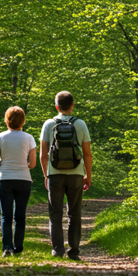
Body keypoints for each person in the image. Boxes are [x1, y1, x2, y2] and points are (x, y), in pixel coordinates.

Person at [39, 90, 92, 261]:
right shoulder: (81, 124)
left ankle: (58, 250)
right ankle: (74, 250)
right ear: (72, 106)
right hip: (76, 174)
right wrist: (87, 175)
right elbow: (87, 154)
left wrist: (46, 174)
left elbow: (43, 154)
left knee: (55, 213)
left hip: (55, 174)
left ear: (56, 106)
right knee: (74, 213)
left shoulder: (48, 124)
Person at [0, 106, 37, 257]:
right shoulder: (29, 138)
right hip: (23, 179)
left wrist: (5, 162)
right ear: (23, 121)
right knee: (20, 216)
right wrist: (24, 164)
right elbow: (33, 164)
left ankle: (7, 248)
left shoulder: (1, 137)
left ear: (7, 120)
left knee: (6, 216)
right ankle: (18, 247)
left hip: (4, 179)